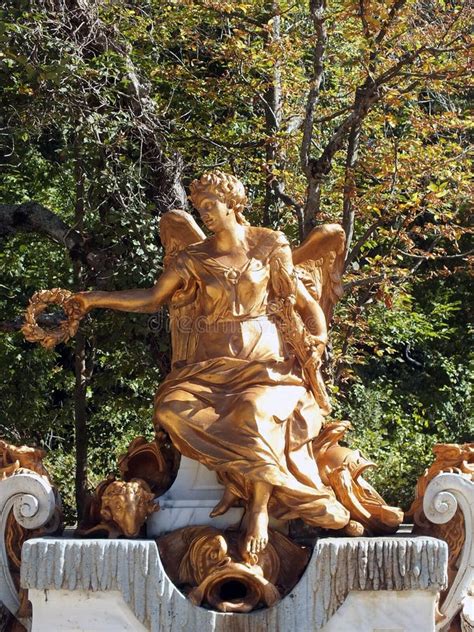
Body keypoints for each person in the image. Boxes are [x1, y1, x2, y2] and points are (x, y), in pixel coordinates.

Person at [70, 171, 350, 556]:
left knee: (253, 410)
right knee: (170, 408)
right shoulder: (193, 258)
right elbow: (152, 298)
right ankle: (264, 486)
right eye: (200, 209)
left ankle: (259, 508)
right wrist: (94, 298)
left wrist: (317, 338)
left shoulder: (269, 246)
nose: (205, 216)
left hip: (265, 364)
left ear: (232, 203)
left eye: (210, 206)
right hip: (210, 366)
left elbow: (305, 303)